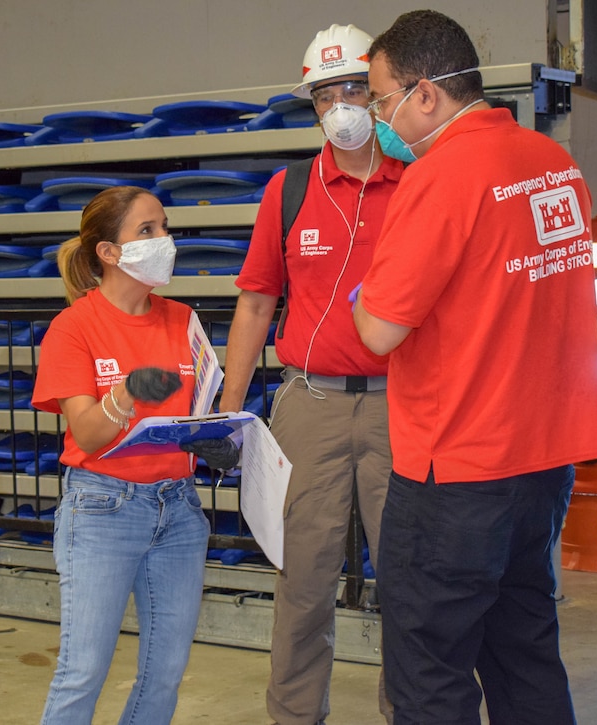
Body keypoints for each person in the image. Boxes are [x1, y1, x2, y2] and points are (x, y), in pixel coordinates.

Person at [352, 10, 597, 725]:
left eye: (380, 100)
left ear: (426, 94)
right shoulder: (550, 161)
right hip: (544, 457)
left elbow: (378, 329)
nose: (377, 118)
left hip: (456, 468)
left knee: (430, 669)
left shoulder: (439, 178)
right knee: (524, 649)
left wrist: (361, 295)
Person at [218, 22, 403, 725]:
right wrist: (231, 410)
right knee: (303, 581)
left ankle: (413, 712)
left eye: (355, 88)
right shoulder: (289, 190)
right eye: (326, 94)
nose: (342, 105)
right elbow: (257, 300)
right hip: (310, 405)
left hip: (403, 408)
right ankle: (295, 715)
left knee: (411, 582)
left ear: (381, 93)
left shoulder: (417, 184)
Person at [33, 186, 237, 725]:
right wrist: (125, 394)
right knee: (84, 669)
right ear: (108, 252)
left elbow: (194, 411)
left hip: (178, 509)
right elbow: (88, 432)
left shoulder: (182, 320)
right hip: (102, 510)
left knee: (165, 672)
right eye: (146, 230)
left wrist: (215, 441)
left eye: (164, 227)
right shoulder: (74, 327)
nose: (163, 240)